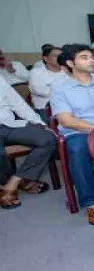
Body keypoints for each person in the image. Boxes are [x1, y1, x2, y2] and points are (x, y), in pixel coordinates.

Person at [50, 44, 94, 225]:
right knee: (78, 150)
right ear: (71, 63)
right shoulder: (60, 88)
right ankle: (91, 202)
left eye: (91, 57)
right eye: (85, 57)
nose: (92, 60)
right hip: (79, 132)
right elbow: (66, 120)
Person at [0, 77, 57, 209]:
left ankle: (14, 182)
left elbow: (17, 103)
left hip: (8, 125)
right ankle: (5, 185)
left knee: (48, 139)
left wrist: (40, 123)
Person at [28, 46, 67, 123]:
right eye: (56, 56)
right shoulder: (35, 72)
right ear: (46, 58)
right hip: (45, 109)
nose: (60, 58)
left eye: (61, 56)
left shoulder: (67, 72)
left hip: (69, 107)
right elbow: (41, 91)